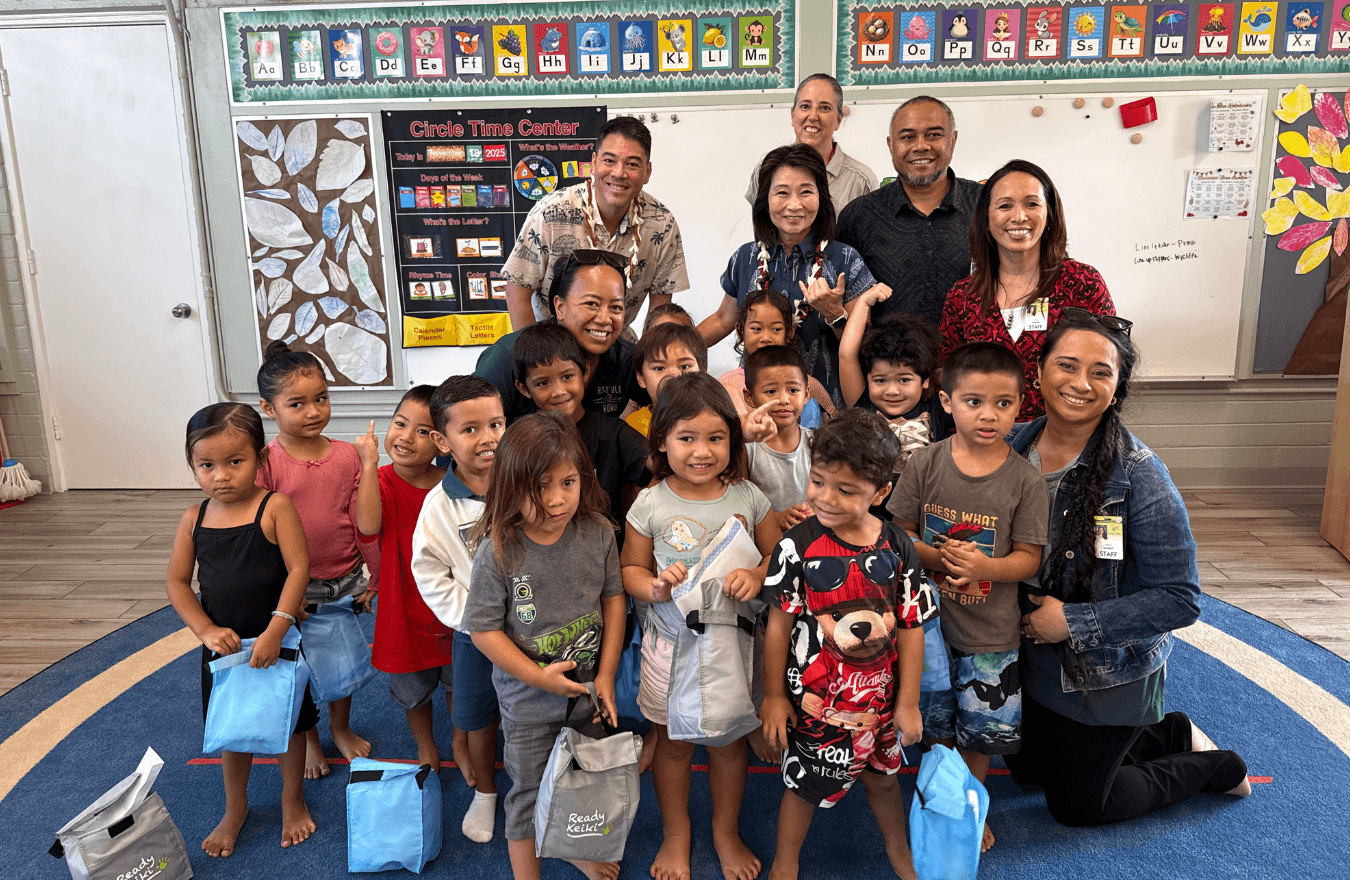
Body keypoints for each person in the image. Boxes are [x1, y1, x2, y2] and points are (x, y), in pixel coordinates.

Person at [1006, 308, 1251, 826]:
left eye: (1101, 372)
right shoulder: (1008, 446)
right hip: (1025, 660)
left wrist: (1072, 623)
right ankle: (1169, 732)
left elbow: (1180, 599)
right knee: (1027, 769)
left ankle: (1216, 768)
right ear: (1039, 372)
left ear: (1117, 389)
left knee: (1077, 805)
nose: (1080, 383)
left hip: (1102, 670)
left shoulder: (1139, 473)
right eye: (1066, 366)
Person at [760, 409, 933, 880]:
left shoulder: (896, 544)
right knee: (803, 789)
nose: (826, 498)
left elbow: (912, 625)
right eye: (818, 482)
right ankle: (785, 862)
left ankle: (899, 849)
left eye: (846, 490)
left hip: (881, 702)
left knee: (884, 780)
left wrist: (909, 702)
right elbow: (777, 625)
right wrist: (773, 696)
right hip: (820, 706)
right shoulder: (797, 544)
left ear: (881, 493)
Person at [890, 342, 1049, 853]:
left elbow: (1029, 558)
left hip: (992, 635)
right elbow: (898, 535)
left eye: (1003, 404)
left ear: (1020, 406)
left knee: (983, 733)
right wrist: (937, 560)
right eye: (974, 401)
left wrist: (985, 567)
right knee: (936, 727)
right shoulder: (925, 464)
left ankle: (971, 805)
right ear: (945, 401)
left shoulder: (1025, 479)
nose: (989, 415)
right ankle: (941, 797)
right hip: (928, 631)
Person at [621, 372, 781, 880]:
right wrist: (656, 587)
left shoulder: (749, 496)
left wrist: (756, 575)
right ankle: (676, 833)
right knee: (671, 742)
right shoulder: (649, 503)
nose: (701, 451)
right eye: (686, 438)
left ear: (733, 439)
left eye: (715, 437)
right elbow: (630, 572)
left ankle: (725, 830)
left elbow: (777, 557)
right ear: (662, 440)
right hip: (671, 643)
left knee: (728, 743)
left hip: (732, 646)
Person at [463, 411, 627, 880]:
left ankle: (573, 848)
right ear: (511, 486)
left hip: (589, 693)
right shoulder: (499, 547)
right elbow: (484, 630)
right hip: (529, 702)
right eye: (539, 487)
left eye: (568, 482)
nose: (556, 501)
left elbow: (613, 598)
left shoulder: (596, 530)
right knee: (530, 792)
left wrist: (607, 675)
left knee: (584, 776)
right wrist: (538, 678)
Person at [166, 402, 315, 856]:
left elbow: (298, 569)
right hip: (225, 649)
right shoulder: (194, 518)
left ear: (261, 459)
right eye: (206, 465)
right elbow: (176, 581)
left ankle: (293, 799)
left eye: (235, 462)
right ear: (192, 465)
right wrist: (205, 630)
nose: (221, 476)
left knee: (288, 725)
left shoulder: (274, 507)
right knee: (233, 729)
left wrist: (276, 628)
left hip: (279, 642)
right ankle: (236, 808)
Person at [255, 342, 373, 779]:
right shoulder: (267, 463)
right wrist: (278, 593)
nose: (313, 411)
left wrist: (372, 571)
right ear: (269, 408)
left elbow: (360, 520)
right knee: (298, 670)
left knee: (341, 664)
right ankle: (307, 739)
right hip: (291, 588)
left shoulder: (345, 455)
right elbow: (259, 530)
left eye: (321, 398)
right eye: (297, 403)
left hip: (341, 580)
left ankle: (340, 728)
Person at [699, 144, 882, 409]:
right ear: (765, 199)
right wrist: (674, 348)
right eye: (782, 193)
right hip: (756, 408)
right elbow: (723, 319)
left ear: (821, 197)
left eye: (806, 192)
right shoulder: (746, 258)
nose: (794, 205)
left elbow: (866, 346)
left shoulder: (845, 260)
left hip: (825, 409)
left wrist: (835, 313)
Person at [940, 159, 1115, 422]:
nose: (1019, 216)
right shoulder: (963, 296)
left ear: (1050, 214)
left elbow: (1111, 366)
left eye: (1032, 204)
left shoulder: (1083, 282)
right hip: (986, 443)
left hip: (1066, 443)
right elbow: (948, 375)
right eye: (1005, 205)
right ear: (987, 218)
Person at [353, 387, 468, 784]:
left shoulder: (452, 483)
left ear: (441, 442)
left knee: (460, 678)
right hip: (402, 602)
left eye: (422, 431)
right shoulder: (380, 481)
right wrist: (369, 466)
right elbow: (367, 525)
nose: (404, 437)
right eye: (399, 424)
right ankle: (425, 744)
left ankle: (459, 741)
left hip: (450, 600)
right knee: (412, 684)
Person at [411, 376, 507, 843]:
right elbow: (430, 572)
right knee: (476, 718)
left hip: (536, 627)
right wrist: (475, 620)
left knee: (543, 709)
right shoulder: (438, 507)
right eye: (470, 430)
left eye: (496, 424)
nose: (487, 437)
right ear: (442, 441)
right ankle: (486, 792)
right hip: (476, 635)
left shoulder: (526, 481)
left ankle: (550, 782)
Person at [500, 115, 689, 333]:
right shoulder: (550, 213)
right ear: (594, 162)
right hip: (553, 344)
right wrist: (532, 359)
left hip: (615, 341)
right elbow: (517, 291)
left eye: (632, 164)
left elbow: (660, 311)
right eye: (609, 160)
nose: (618, 173)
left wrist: (648, 363)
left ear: (647, 171)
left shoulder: (661, 224)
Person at [836, 96, 982, 326]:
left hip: (972, 361)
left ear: (952, 140)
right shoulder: (858, 217)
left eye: (934, 135)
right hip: (886, 361)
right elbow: (845, 306)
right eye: (907, 137)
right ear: (891, 144)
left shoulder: (987, 206)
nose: (921, 146)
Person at [477, 249, 646, 422]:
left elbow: (670, 404)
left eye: (616, 307)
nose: (604, 319)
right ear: (560, 307)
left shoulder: (628, 360)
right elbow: (467, 429)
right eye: (591, 304)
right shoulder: (506, 358)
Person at [512, 322, 649, 529]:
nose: (558, 391)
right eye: (543, 383)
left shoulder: (613, 433)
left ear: (585, 371)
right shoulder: (517, 440)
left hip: (603, 551)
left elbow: (656, 464)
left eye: (567, 377)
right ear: (524, 388)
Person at [838, 286, 953, 516]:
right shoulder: (864, 409)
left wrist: (932, 376)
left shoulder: (936, 407)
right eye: (880, 381)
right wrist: (863, 303)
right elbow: (846, 354)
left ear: (925, 380)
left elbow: (961, 379)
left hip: (924, 515)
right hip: (873, 517)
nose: (892, 390)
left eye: (904, 380)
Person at [744, 74, 877, 212]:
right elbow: (761, 229)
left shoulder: (861, 181)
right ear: (792, 115)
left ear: (838, 119)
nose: (813, 116)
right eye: (805, 106)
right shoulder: (765, 171)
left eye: (824, 108)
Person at [716, 289, 835, 426]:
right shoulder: (726, 385)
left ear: (790, 331)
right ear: (740, 331)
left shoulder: (808, 384)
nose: (766, 338)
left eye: (776, 329)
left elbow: (834, 431)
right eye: (756, 329)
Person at [743, 345, 814, 532]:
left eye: (793, 390)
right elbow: (739, 502)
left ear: (806, 394)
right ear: (749, 397)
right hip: (765, 546)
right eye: (771, 391)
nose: (783, 399)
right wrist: (775, 518)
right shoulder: (747, 448)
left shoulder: (818, 443)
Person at [627, 321, 707, 437]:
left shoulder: (712, 418)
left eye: (684, 367)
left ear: (703, 372)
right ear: (641, 378)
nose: (673, 375)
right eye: (659, 368)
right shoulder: (633, 426)